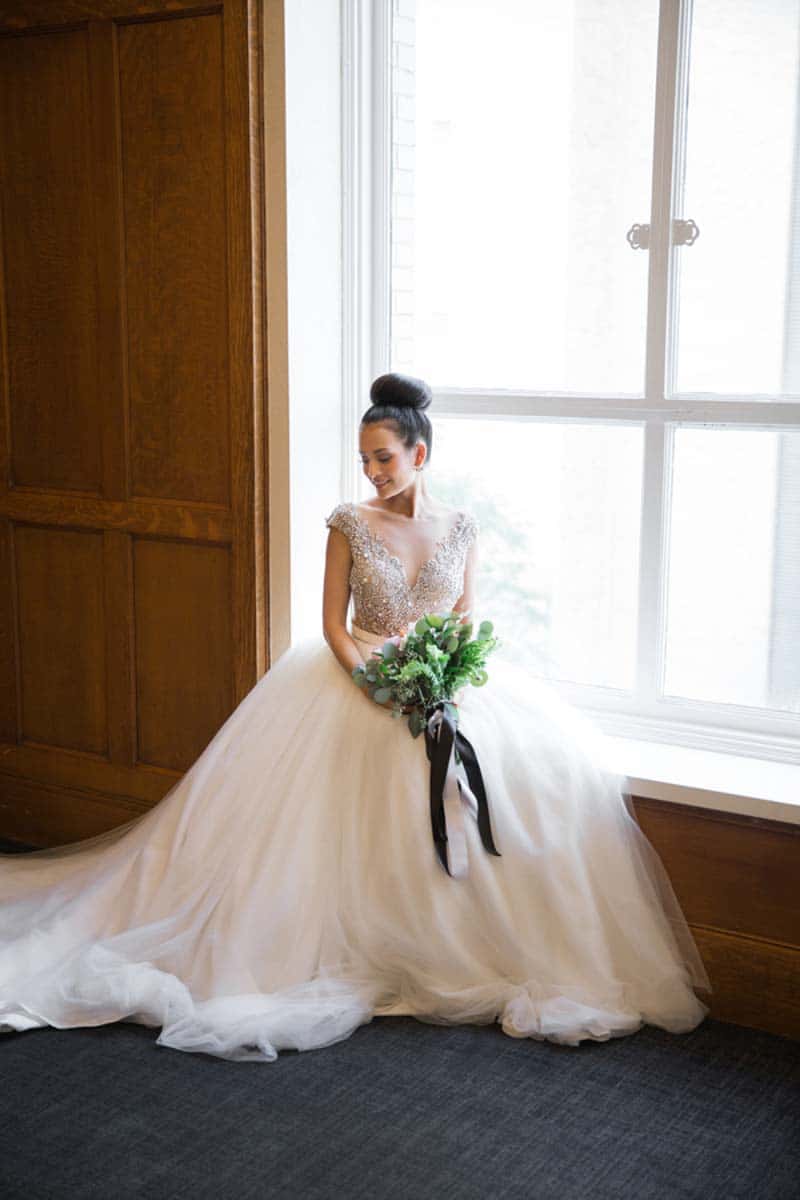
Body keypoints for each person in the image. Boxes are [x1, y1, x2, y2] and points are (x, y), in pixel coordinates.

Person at [0, 372, 710, 1063]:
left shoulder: (462, 526)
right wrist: (372, 679)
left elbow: (466, 617)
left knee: (521, 795)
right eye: (363, 459)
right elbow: (333, 624)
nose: (371, 471)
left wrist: (446, 679)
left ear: (419, 455)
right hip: (355, 680)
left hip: (443, 687)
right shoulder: (348, 523)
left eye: (384, 457)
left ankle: (449, 951)